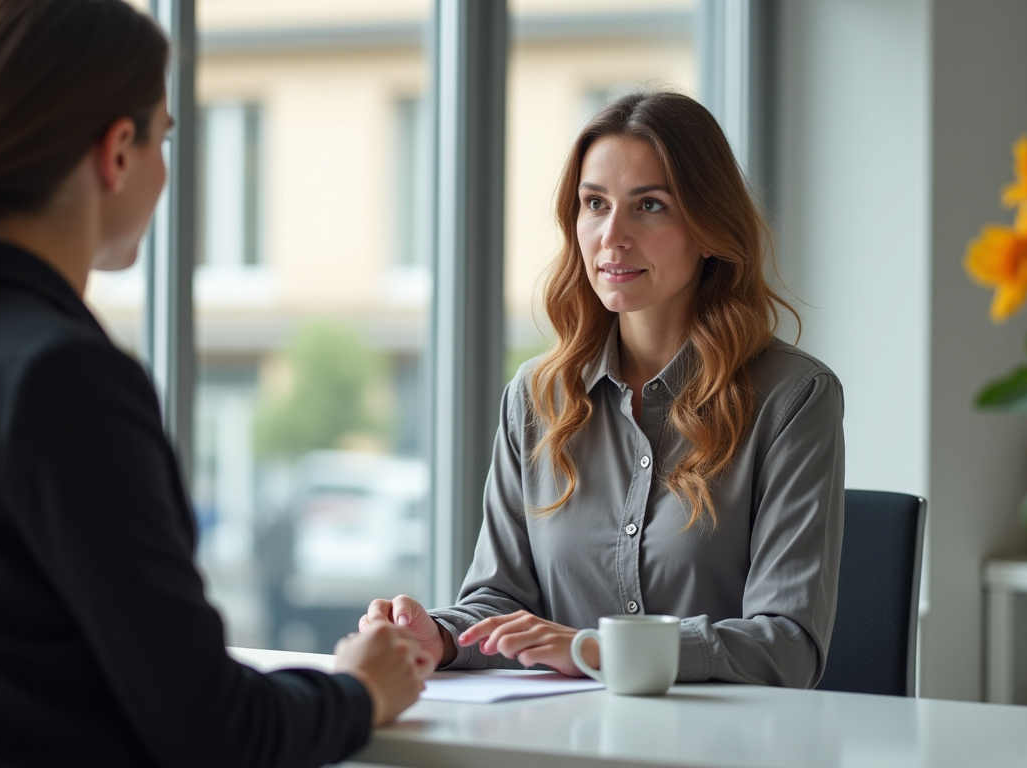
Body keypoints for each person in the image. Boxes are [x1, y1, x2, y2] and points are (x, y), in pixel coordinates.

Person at [0, 2, 430, 766]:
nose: (164, 170)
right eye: (163, 138)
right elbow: (212, 729)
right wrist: (360, 689)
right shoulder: (61, 379)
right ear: (117, 152)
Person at [362, 90, 845, 688]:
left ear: (711, 229)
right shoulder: (537, 397)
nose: (612, 236)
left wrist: (597, 649)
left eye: (650, 206)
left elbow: (788, 646)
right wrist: (436, 635)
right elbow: (500, 600)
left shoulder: (793, 398)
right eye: (595, 203)